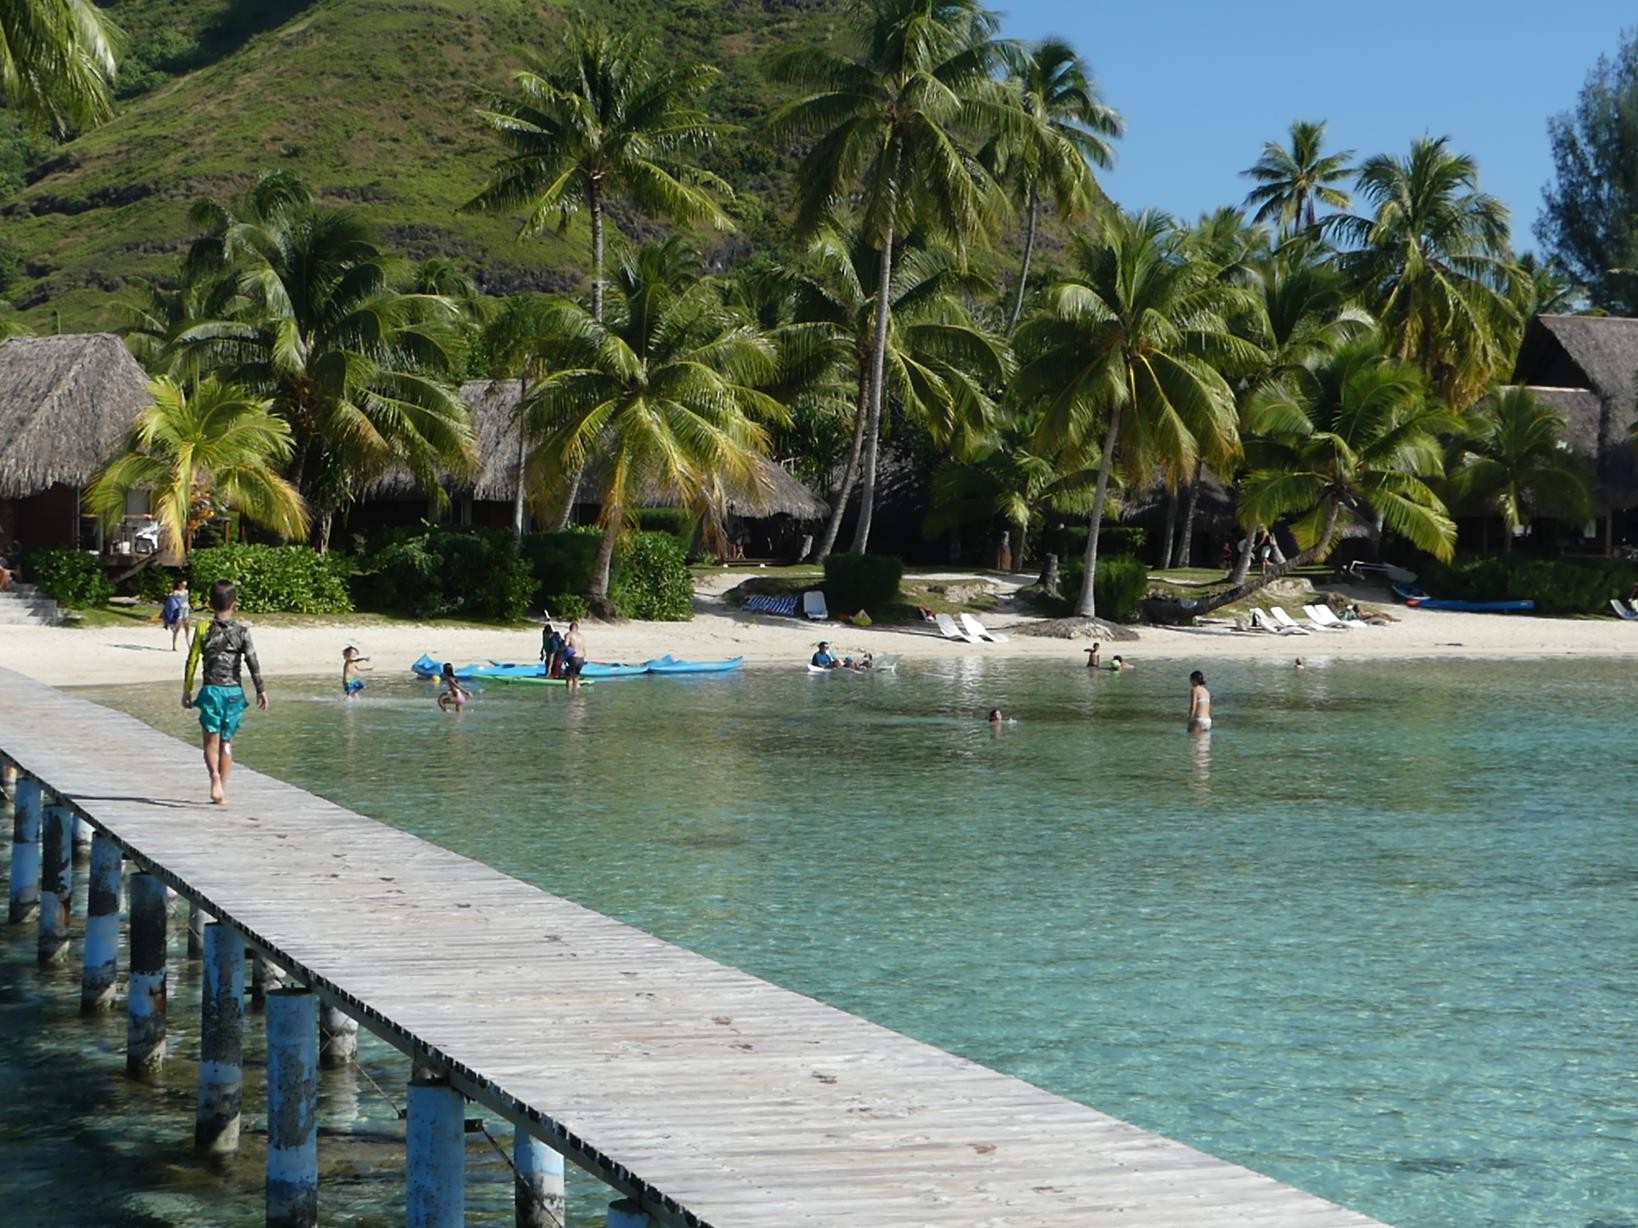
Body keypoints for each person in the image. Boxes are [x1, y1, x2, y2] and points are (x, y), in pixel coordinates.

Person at [181, 580, 266, 805]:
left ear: (209, 603)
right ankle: (223, 792)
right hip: (234, 694)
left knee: (210, 743)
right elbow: (252, 662)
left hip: (211, 692)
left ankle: (214, 778)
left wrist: (187, 689)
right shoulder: (242, 632)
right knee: (227, 742)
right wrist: (261, 690)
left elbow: (192, 661)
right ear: (235, 604)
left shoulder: (202, 629)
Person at [161, 578, 192, 651]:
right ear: (179, 584)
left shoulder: (186, 591)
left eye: (185, 585)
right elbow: (170, 602)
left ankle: (189, 645)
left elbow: (186, 600)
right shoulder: (175, 592)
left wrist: (189, 606)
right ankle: (174, 645)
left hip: (186, 610)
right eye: (183, 585)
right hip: (179, 611)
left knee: (187, 628)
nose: (184, 586)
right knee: (177, 629)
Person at [562, 619, 587, 692]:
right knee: (576, 678)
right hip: (581, 658)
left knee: (569, 678)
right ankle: (577, 696)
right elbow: (584, 649)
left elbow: (566, 645)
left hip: (573, 657)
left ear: (570, 628)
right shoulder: (582, 636)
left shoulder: (569, 634)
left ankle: (569, 696)